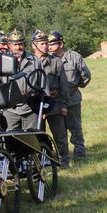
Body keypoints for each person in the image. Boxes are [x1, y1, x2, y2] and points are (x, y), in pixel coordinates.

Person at [47, 32, 91, 162]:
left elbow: (86, 76)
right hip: (55, 100)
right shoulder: (48, 59)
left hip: (72, 99)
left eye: (53, 44)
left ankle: (79, 153)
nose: (49, 46)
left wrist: (75, 87)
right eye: (48, 44)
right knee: (59, 131)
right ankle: (62, 156)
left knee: (75, 127)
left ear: (61, 44)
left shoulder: (74, 57)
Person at [31, 29, 70, 167]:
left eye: (47, 44)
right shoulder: (29, 62)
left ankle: (64, 161)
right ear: (34, 45)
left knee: (60, 136)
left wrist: (64, 105)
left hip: (54, 103)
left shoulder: (56, 62)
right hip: (36, 106)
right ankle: (41, 163)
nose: (45, 47)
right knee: (38, 137)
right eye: (42, 44)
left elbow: (64, 85)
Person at [3, 29, 42, 131]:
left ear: (24, 44)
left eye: (20, 44)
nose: (18, 47)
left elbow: (43, 84)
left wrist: (43, 107)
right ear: (9, 45)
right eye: (15, 44)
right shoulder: (2, 61)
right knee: (10, 139)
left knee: (31, 140)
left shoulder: (35, 61)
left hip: (30, 107)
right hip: (10, 108)